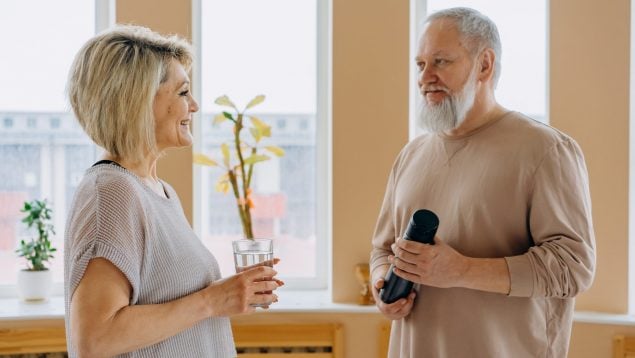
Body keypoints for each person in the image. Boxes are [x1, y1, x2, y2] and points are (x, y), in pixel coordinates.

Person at [370, 7, 595, 358]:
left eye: (441, 61)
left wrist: (461, 270)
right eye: (420, 64)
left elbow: (573, 267)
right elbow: (382, 251)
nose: (425, 76)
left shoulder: (546, 150)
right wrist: (381, 285)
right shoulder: (411, 154)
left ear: (484, 65)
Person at [64, 25, 282, 357]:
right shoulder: (111, 192)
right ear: (136, 101)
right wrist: (211, 301)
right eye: (182, 92)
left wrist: (231, 295)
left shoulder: (158, 191)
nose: (193, 105)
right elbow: (94, 339)